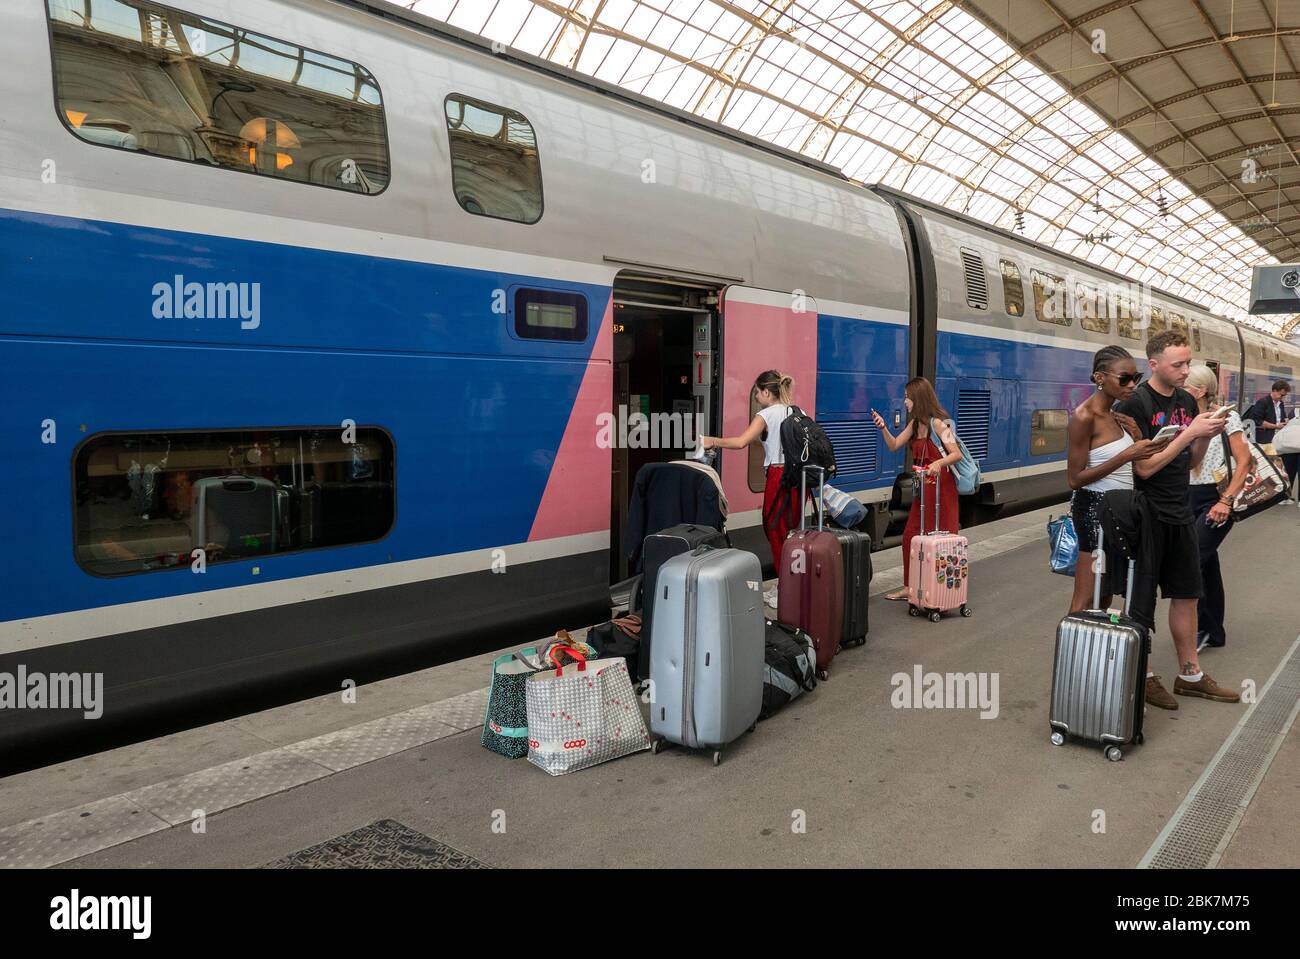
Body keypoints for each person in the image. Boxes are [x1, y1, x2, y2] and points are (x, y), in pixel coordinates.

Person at [1114, 330, 1239, 708]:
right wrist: (1189, 434)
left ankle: (1190, 674)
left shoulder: (1186, 399)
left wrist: (1205, 432)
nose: (1187, 370)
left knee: (1186, 594)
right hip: (1146, 513)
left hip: (1180, 509)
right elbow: (1146, 468)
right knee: (1141, 601)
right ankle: (1145, 675)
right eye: (1178, 364)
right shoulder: (1135, 404)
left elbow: (1194, 462)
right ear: (1154, 365)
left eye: (1188, 362)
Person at [1065, 346, 1166, 613]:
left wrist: (1137, 435)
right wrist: (1127, 454)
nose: (1132, 385)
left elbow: (1135, 463)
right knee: (1086, 598)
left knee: (1105, 596)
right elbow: (1074, 479)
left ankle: (1094, 653)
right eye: (1125, 379)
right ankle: (1072, 653)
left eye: (1137, 377)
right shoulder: (1084, 417)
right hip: (1094, 510)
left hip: (1120, 509)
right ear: (1100, 378)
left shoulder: (1116, 415)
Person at [700, 370, 798, 608]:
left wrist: (711, 441)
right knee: (791, 533)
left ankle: (786, 590)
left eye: (757, 391)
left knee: (774, 531)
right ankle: (790, 585)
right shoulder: (796, 411)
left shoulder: (765, 414)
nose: (755, 396)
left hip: (779, 476)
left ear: (766, 392)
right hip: (799, 478)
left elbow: (741, 442)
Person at [872, 377, 962, 602]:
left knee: (943, 539)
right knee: (910, 537)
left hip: (943, 491)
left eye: (907, 397)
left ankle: (942, 590)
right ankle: (909, 587)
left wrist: (938, 463)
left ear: (918, 399)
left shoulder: (939, 424)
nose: (905, 402)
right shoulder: (913, 425)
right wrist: (883, 427)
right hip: (924, 492)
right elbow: (893, 445)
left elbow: (956, 453)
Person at [1184, 365, 1252, 652]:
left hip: (1217, 497)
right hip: (1186, 496)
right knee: (1207, 563)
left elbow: (1244, 460)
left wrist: (1226, 501)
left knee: (1193, 560)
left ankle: (1201, 627)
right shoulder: (1185, 418)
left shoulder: (1226, 416)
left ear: (1200, 390)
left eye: (1185, 385)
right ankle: (1214, 630)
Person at [1245, 379, 1297, 499]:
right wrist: (1276, 426)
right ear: (1274, 391)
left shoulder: (1280, 403)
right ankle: (1263, 493)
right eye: (1281, 394)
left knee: (1277, 466)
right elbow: (1257, 421)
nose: (1283, 397)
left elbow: (1282, 417)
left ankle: (1275, 492)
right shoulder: (1263, 403)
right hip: (1265, 439)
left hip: (1277, 439)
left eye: (1284, 395)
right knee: (1266, 466)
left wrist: (1285, 422)